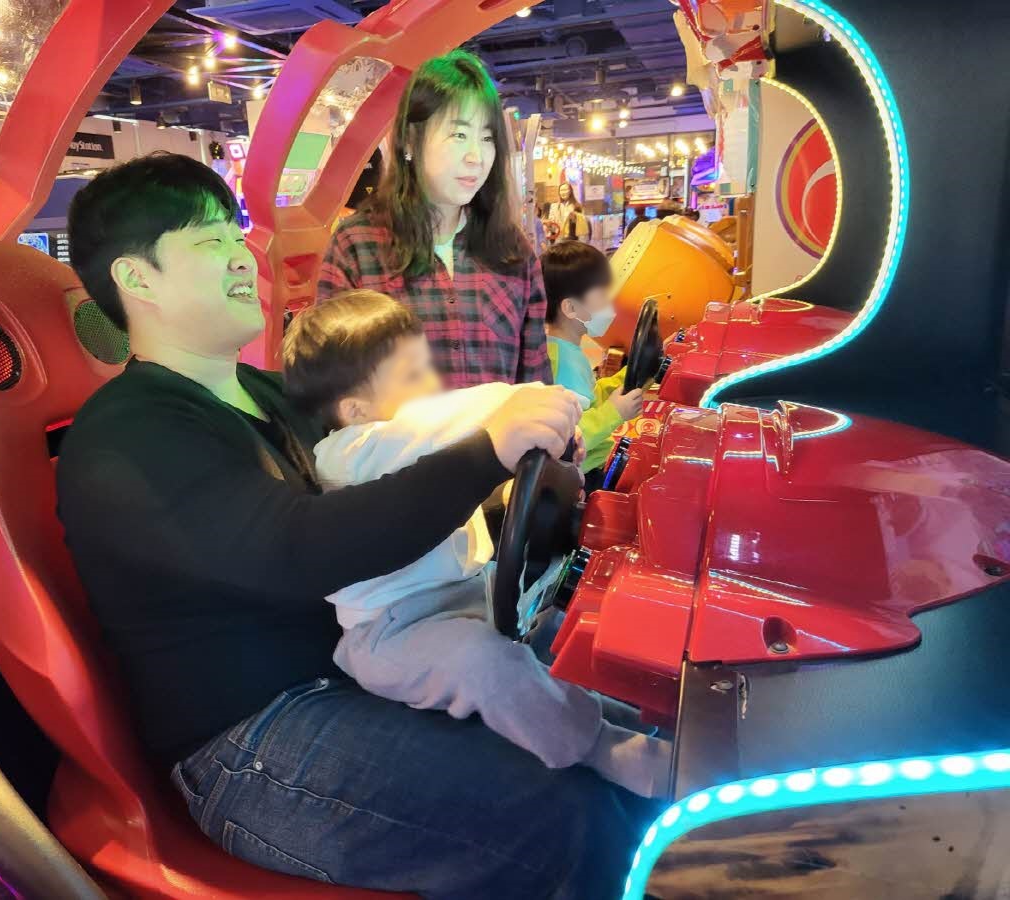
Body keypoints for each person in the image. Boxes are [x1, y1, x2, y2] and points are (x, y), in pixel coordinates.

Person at [57, 152, 653, 899]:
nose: (242, 256)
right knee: (566, 816)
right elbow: (301, 549)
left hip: (361, 666)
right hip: (253, 738)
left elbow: (392, 466)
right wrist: (487, 452)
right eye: (210, 241)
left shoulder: (272, 395)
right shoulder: (129, 433)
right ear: (136, 279)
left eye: (235, 235)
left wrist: (515, 470)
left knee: (609, 713)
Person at [283, 289, 670, 798]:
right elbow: (438, 422)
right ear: (355, 409)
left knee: (549, 626)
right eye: (413, 376)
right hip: (391, 634)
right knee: (483, 662)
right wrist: (531, 404)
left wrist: (549, 440)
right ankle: (598, 746)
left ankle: (629, 716)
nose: (433, 385)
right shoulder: (349, 452)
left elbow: (465, 450)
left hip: (467, 595)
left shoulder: (409, 449)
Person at [318, 50, 551, 389]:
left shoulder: (511, 250)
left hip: (504, 428)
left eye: (487, 138)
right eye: (459, 135)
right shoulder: (357, 246)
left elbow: (535, 384)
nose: (476, 157)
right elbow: (332, 387)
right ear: (411, 141)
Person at [542, 241, 644, 481]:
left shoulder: (564, 350)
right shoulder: (562, 365)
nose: (609, 306)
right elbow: (570, 438)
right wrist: (614, 412)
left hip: (589, 466)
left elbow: (588, 399)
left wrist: (631, 375)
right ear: (570, 307)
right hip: (580, 477)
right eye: (600, 297)